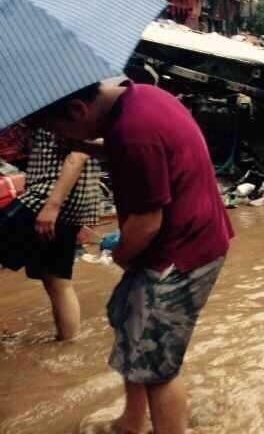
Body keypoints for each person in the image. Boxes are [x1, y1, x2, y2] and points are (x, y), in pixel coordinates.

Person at [37, 81, 234, 434]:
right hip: (184, 241)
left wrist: (119, 255)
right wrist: (84, 145)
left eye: (59, 128)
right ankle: (131, 422)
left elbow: (146, 223)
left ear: (78, 110)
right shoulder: (141, 98)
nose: (59, 138)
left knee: (157, 366)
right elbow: (131, 151)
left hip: (180, 254)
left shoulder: (133, 131)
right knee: (131, 326)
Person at [0, 127, 99, 341]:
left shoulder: (62, 110)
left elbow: (78, 154)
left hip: (47, 196)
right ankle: (68, 345)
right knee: (56, 279)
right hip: (65, 201)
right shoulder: (48, 110)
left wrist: (52, 206)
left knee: (57, 280)